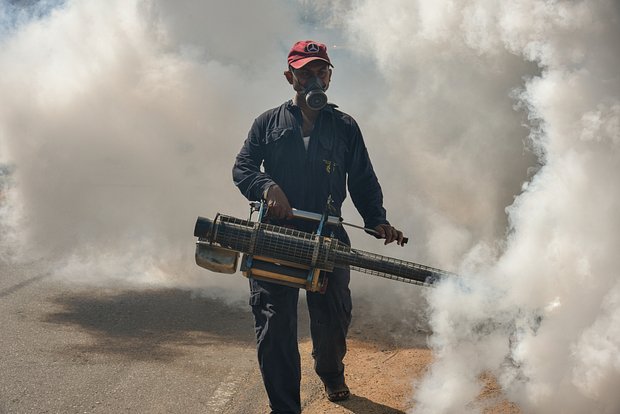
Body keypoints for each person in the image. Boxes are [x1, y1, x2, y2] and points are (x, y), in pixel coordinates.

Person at [232, 40, 405, 414]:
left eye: (319, 71)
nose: (313, 79)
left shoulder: (345, 126)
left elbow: (361, 178)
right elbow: (243, 168)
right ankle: (286, 408)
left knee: (333, 317)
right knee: (275, 326)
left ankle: (330, 371)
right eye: (304, 72)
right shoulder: (267, 122)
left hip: (328, 236)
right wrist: (267, 187)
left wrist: (377, 220)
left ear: (329, 76)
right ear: (289, 76)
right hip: (276, 237)